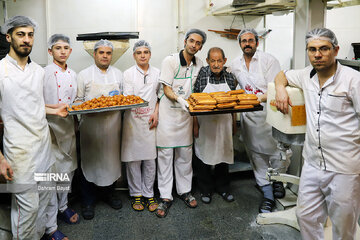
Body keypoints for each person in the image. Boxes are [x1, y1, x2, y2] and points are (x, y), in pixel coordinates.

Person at [275, 28, 360, 240]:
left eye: (323, 48)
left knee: (344, 227)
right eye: (312, 50)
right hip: (312, 164)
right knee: (306, 216)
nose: (317, 54)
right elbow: (282, 75)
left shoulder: (353, 80)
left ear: (336, 50)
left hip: (344, 168)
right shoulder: (306, 75)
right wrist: (280, 89)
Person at [0, 16, 69, 240]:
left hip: (43, 146)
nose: (26, 39)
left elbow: (35, 105)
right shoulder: (1, 71)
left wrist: (55, 110)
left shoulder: (38, 71)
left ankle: (44, 233)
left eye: (30, 35)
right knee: (26, 209)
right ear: (9, 37)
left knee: (45, 198)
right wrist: (0, 158)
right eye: (21, 34)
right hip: (19, 153)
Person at [231, 28, 287, 213]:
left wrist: (256, 99)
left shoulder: (268, 60)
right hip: (249, 117)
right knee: (256, 155)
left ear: (257, 42)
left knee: (277, 153)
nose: (247, 43)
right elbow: (233, 85)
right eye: (244, 40)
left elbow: (276, 87)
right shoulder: (235, 64)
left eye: (250, 40)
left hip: (269, 114)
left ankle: (278, 181)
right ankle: (267, 194)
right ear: (240, 44)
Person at [155, 28, 206, 218]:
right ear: (185, 41)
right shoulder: (170, 61)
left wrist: (194, 120)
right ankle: (166, 196)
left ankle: (185, 191)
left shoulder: (199, 64)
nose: (194, 45)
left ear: (201, 47)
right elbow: (166, 88)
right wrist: (178, 99)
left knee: (185, 156)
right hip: (168, 116)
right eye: (191, 41)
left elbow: (198, 91)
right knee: (165, 157)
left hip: (186, 117)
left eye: (198, 43)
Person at [76, 39, 123, 220]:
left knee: (110, 161)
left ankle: (109, 194)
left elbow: (124, 99)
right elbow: (78, 101)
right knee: (90, 162)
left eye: (108, 53)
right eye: (101, 53)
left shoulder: (118, 74)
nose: (105, 56)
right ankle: (88, 200)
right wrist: (90, 108)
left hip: (113, 127)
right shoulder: (84, 75)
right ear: (94, 54)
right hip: (90, 128)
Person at [43, 34, 79, 228]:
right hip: (49, 128)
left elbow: (73, 102)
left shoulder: (73, 74)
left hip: (68, 128)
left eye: (66, 48)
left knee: (68, 170)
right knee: (52, 175)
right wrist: (56, 108)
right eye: (58, 48)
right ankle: (50, 219)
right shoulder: (44, 73)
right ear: (50, 51)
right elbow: (35, 103)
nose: (63, 51)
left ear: (70, 51)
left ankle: (63, 206)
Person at [193, 47, 237, 204]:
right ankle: (206, 190)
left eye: (219, 61)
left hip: (224, 123)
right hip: (205, 124)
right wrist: (195, 125)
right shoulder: (202, 75)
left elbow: (234, 104)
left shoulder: (230, 78)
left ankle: (223, 188)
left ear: (224, 61)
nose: (216, 64)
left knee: (223, 155)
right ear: (207, 61)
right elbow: (193, 101)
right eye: (213, 61)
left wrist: (233, 123)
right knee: (204, 156)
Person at [121, 40, 160, 212]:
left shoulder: (158, 73)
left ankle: (148, 193)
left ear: (150, 54)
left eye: (145, 52)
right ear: (134, 55)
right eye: (139, 52)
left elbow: (159, 97)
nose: (142, 55)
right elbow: (128, 98)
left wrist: (156, 112)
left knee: (150, 160)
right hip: (132, 122)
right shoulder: (128, 74)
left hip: (151, 121)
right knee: (133, 160)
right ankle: (136, 193)